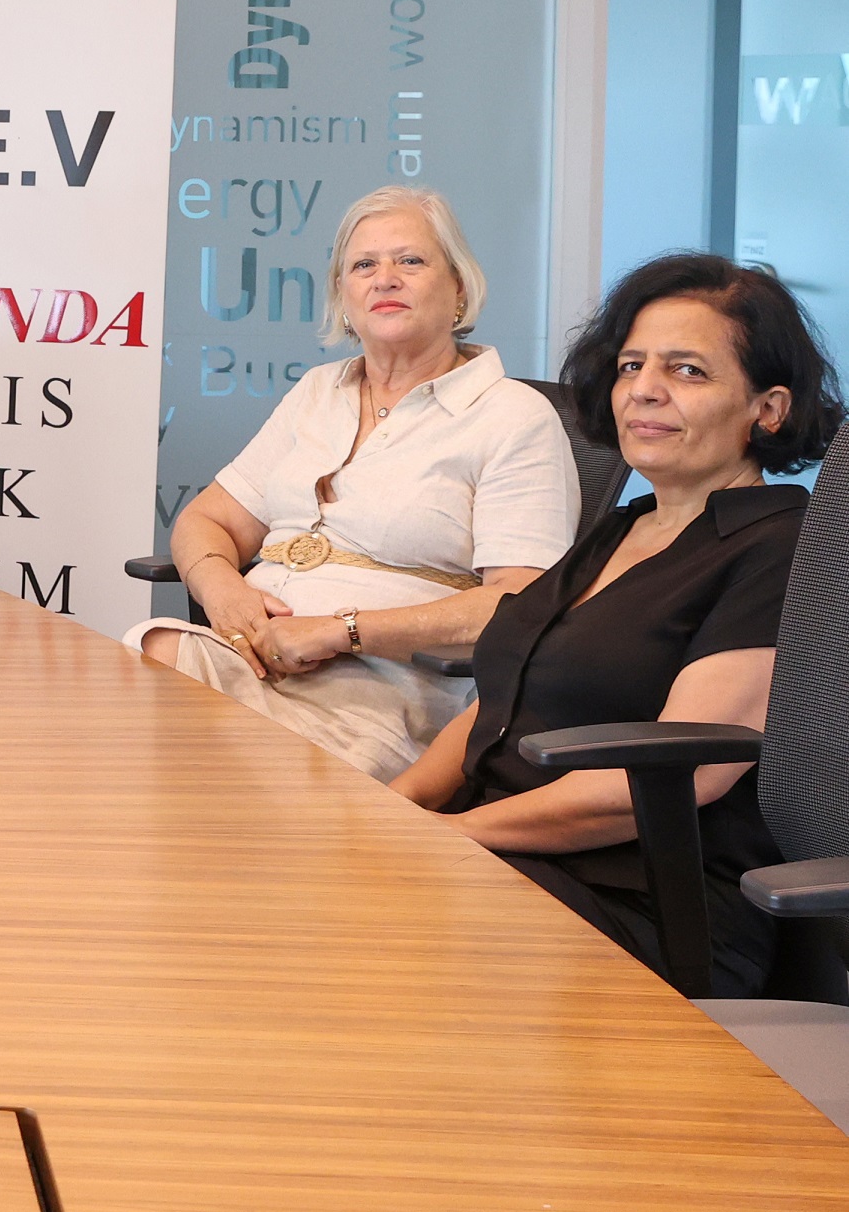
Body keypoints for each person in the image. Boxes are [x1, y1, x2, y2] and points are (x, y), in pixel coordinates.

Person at [393, 254, 841, 999]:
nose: (645, 388)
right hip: (502, 856)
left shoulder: (781, 547)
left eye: (687, 370)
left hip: (646, 905)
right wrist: (390, 808)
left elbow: (686, 771)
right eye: (633, 364)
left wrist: (448, 835)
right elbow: (500, 705)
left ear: (767, 408)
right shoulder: (623, 527)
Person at [136, 186, 578, 780]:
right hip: (248, 662)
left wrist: (343, 632)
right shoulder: (318, 391)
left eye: (411, 260)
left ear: (459, 289)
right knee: (151, 657)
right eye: (364, 265)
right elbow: (206, 520)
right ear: (342, 295)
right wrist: (223, 592)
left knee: (186, 762)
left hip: (383, 696)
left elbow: (519, 599)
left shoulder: (512, 415)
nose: (384, 278)